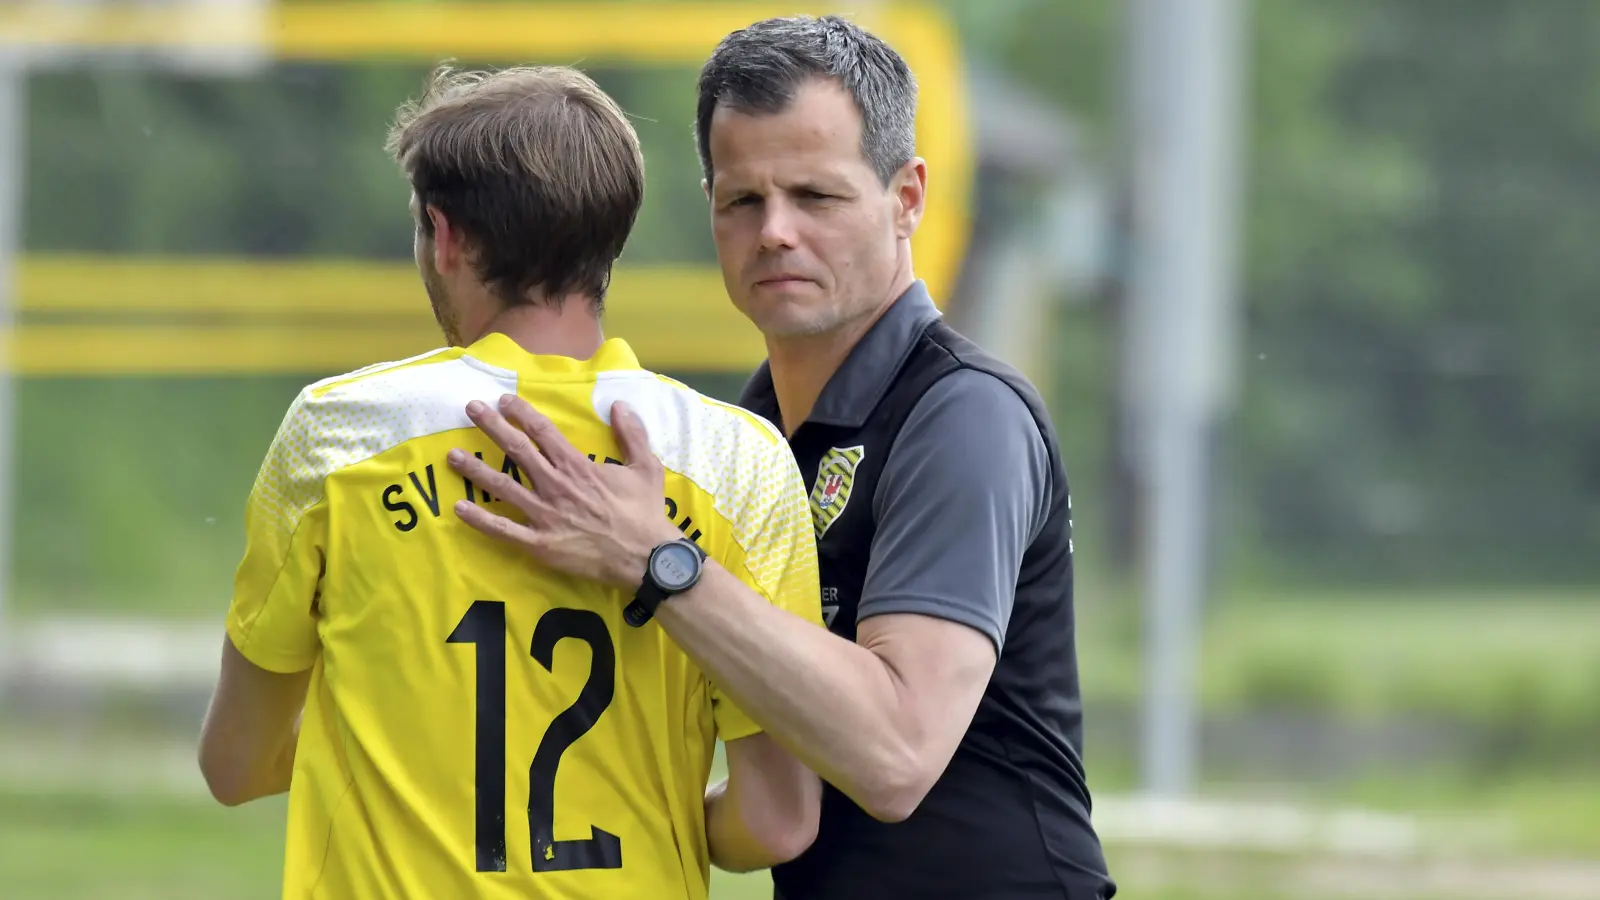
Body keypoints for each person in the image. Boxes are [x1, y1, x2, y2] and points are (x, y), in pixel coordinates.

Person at [447, 14, 1116, 900]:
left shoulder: (964, 416)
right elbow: (774, 815)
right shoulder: (741, 437)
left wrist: (657, 562)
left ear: (908, 196)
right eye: (743, 201)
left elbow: (896, 753)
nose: (775, 232)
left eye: (817, 196)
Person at [195, 64, 823, 900]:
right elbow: (777, 822)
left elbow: (236, 764)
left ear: (446, 235)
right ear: (610, 242)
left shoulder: (339, 437)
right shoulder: (740, 464)